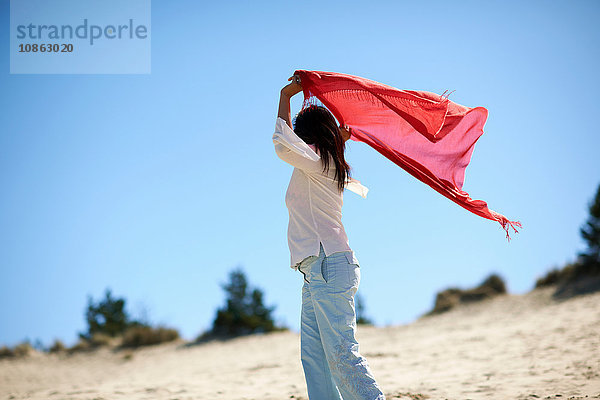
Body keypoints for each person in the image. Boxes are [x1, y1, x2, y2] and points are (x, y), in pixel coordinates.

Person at [273, 74, 386, 400]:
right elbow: (298, 145)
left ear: (308, 137)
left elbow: (282, 142)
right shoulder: (324, 161)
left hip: (327, 265)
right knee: (315, 357)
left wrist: (286, 95)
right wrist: (338, 136)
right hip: (317, 271)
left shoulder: (317, 159)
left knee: (340, 354)